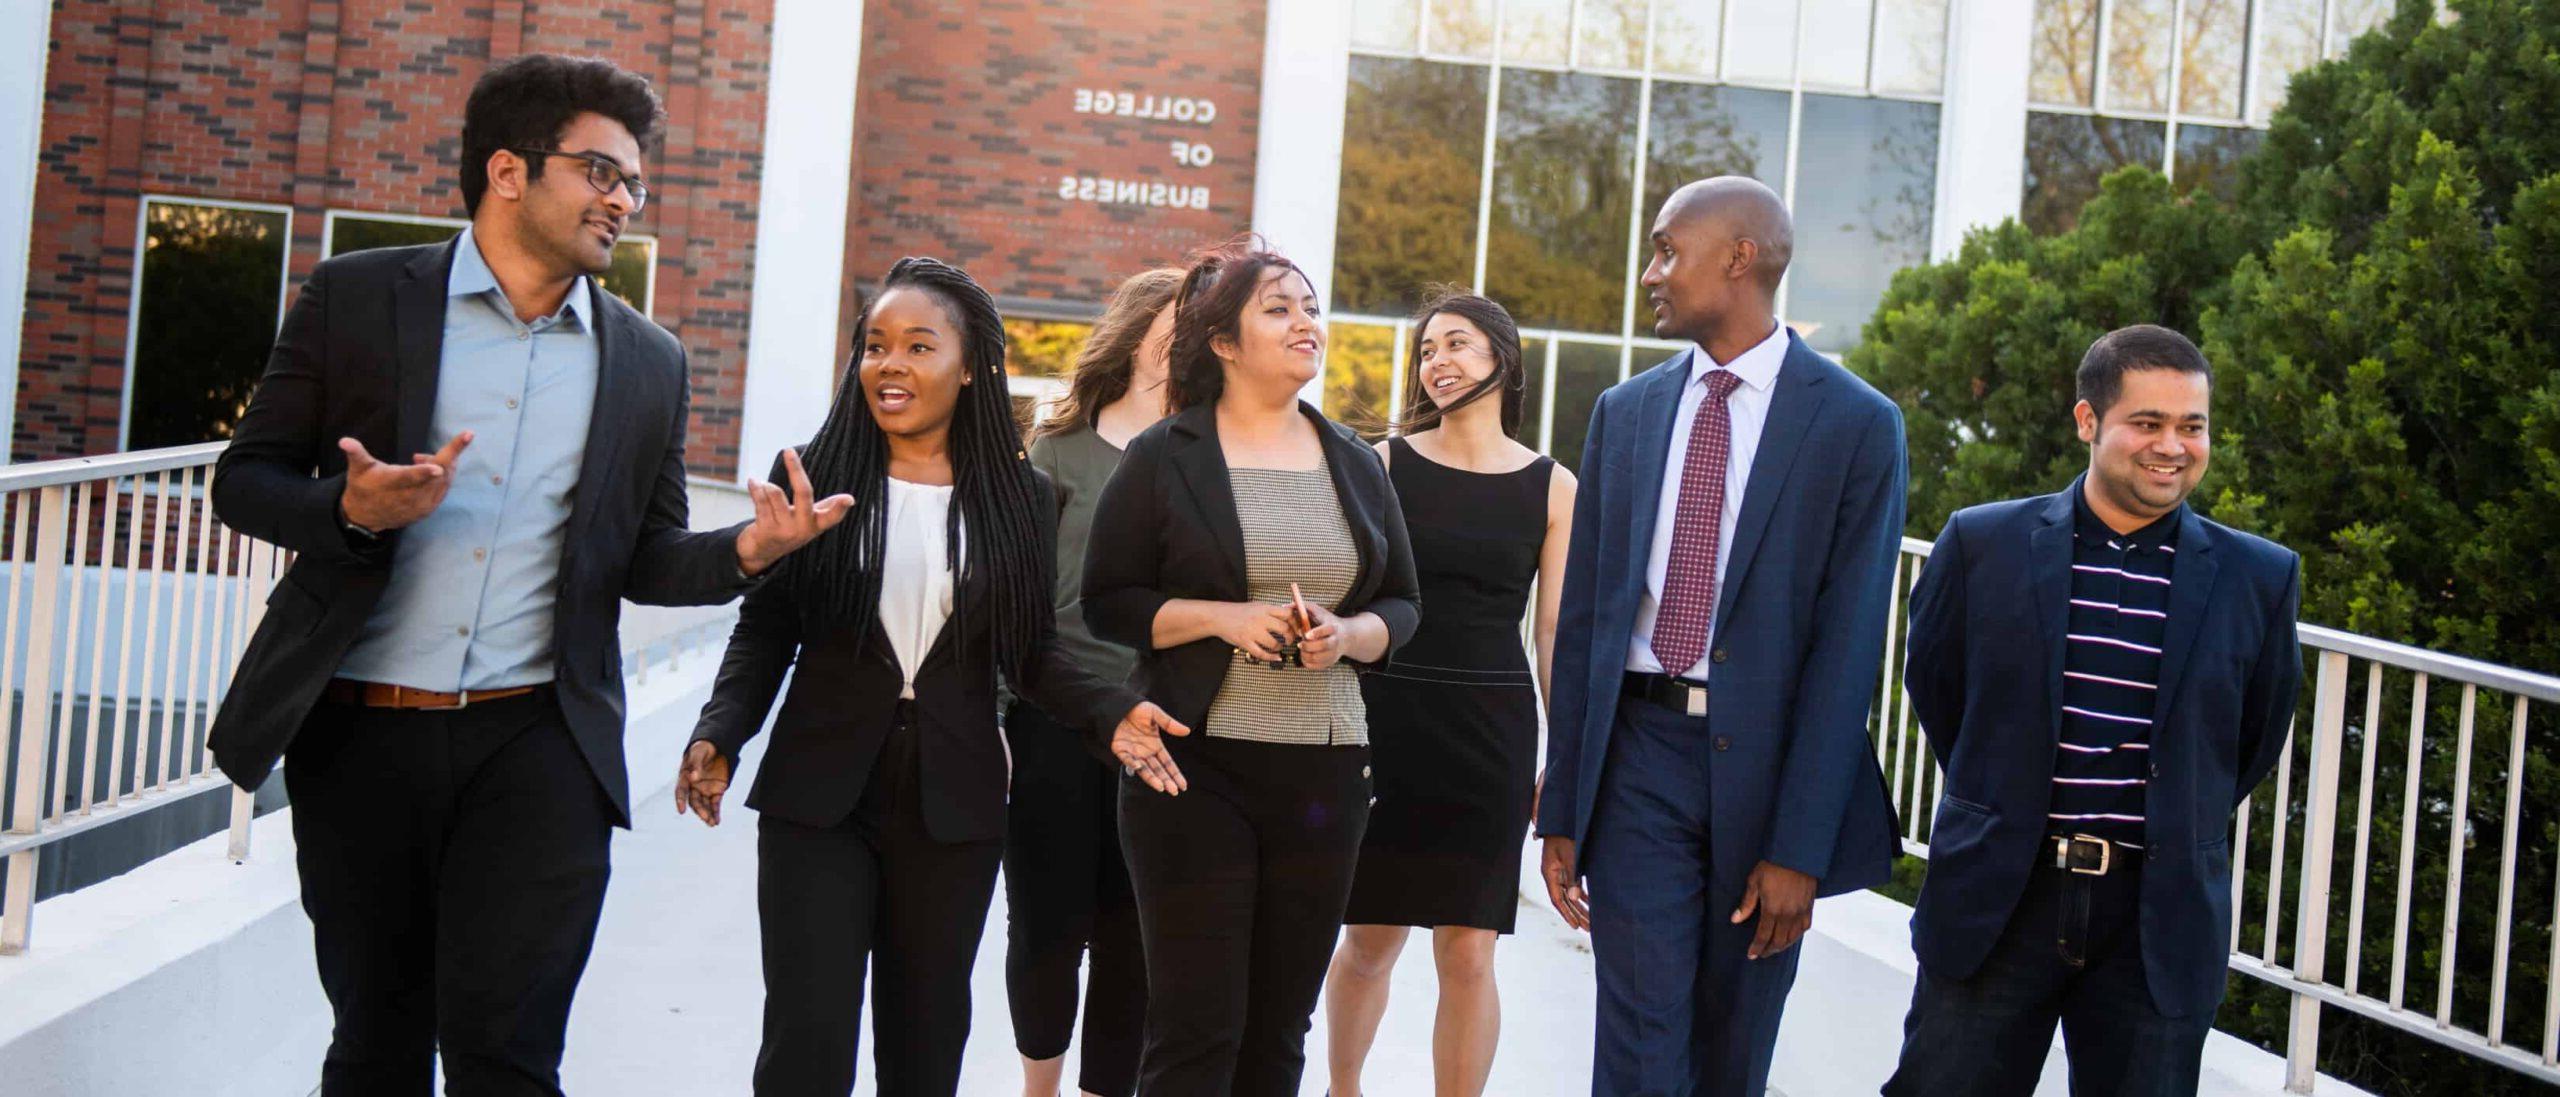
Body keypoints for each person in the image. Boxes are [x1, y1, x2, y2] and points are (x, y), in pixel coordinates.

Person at [205, 54, 843, 1095]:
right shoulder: (360, 299)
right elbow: (245, 481)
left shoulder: (649, 361)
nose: (622, 199)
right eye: (600, 170)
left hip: (540, 742)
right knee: (376, 1042)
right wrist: (346, 509)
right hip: (361, 733)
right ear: (507, 169)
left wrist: (744, 555)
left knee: (508, 1054)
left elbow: (645, 557)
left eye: (632, 180)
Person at [672, 258, 1188, 1097]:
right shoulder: (813, 473)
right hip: (819, 796)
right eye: (875, 346)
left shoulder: (1022, 495)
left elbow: (1028, 653)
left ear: (973, 364)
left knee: (926, 1039)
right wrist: (720, 728)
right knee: (807, 1037)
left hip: (953, 803)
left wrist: (1110, 713)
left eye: (918, 345)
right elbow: (768, 624)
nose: (891, 364)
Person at [1533, 176, 1907, 1097]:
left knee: (1732, 1050)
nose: (1652, 273)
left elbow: (1849, 645)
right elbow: (1585, 619)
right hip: (1640, 758)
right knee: (1637, 1040)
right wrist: (1565, 803)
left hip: (1771, 775)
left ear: (1740, 258)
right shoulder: (1626, 412)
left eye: (1668, 250)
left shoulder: (1859, 424)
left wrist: (1801, 846)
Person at [1883, 325, 2303, 1096]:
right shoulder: (1982, 544)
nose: (2172, 446)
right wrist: (2005, 800)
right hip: (1999, 900)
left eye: (2192, 426)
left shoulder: (2260, 577)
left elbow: (2249, 739)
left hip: (2157, 920)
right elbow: (1938, 690)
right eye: (2148, 423)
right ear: (2088, 421)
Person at [1081, 236, 1422, 1096]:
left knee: (1277, 1032)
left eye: (1310, 306)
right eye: (1279, 307)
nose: (1305, 321)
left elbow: (1404, 606)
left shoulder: (1354, 456)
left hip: (1326, 773)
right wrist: (1225, 618)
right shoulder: (1166, 455)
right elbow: (1109, 599)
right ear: (1224, 343)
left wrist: (1346, 635)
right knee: (1197, 1028)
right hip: (1194, 771)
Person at [1322, 289, 1574, 1097]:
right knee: (1369, 935)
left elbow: (1553, 637)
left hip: (1491, 732)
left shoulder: (1553, 486)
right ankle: (1343, 1089)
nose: (1439, 362)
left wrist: (1563, 757)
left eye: (1458, 344)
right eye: (1428, 349)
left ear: (1503, 357)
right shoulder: (1384, 463)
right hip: (1387, 717)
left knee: (1469, 947)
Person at [1006, 267, 1183, 1097]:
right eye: (1176, 319)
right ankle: (1037, 1086)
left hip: (1164, 733)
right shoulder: (1058, 447)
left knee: (1135, 939)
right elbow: (1019, 605)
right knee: (1044, 926)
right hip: (1057, 721)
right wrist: (1004, 723)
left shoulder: (1202, 454)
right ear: (1139, 328)